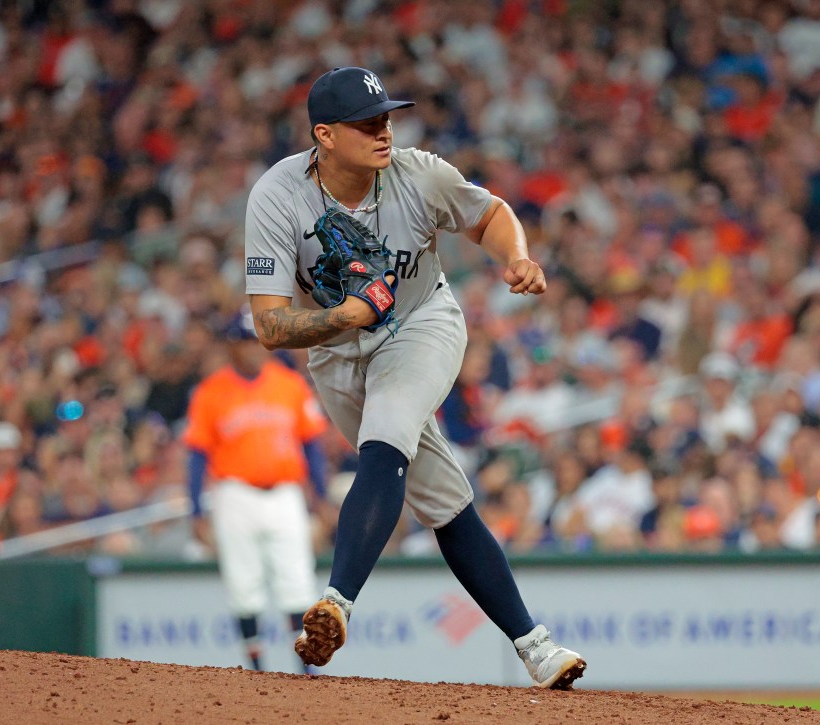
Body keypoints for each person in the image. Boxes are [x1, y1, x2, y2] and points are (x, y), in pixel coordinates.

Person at [244, 66, 586, 689]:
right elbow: (268, 326)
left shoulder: (417, 172)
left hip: (421, 321)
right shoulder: (276, 196)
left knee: (389, 431)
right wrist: (343, 315)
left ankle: (336, 603)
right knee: (441, 499)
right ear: (324, 134)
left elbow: (490, 214)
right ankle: (536, 647)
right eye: (366, 122)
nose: (384, 130)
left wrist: (516, 257)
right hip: (338, 350)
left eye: (387, 116)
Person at [182, 310, 330, 672]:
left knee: (296, 580)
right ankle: (256, 669)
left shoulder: (289, 384)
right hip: (235, 494)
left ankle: (304, 668)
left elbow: (312, 445)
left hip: (285, 493)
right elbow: (197, 455)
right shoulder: (210, 391)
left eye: (259, 341)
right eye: (246, 341)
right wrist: (196, 511)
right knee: (243, 584)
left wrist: (322, 497)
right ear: (232, 346)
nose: (253, 348)